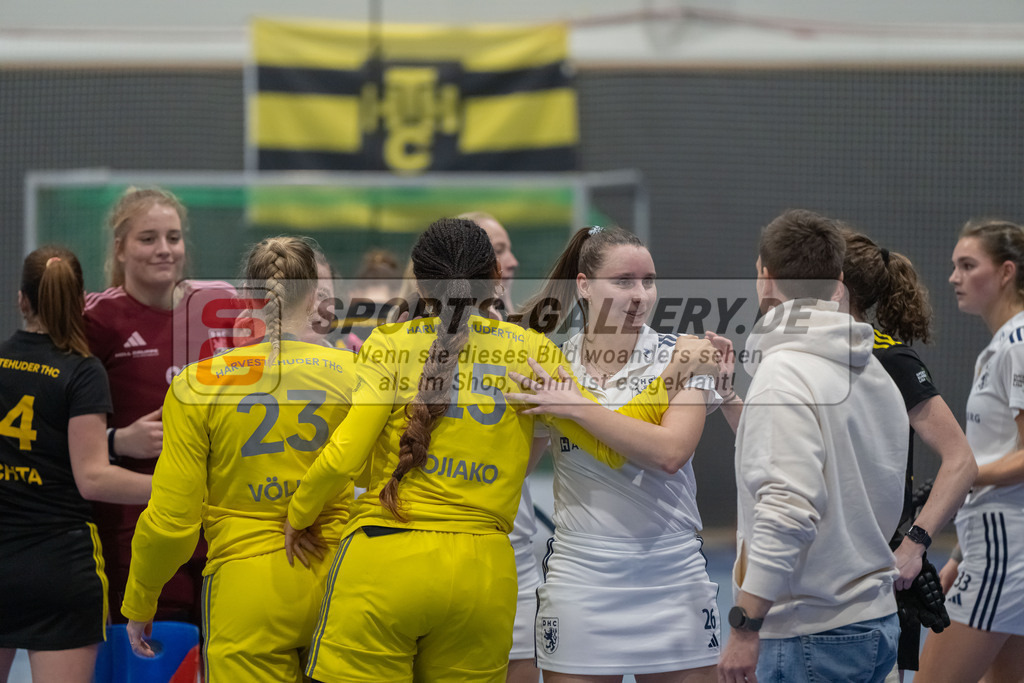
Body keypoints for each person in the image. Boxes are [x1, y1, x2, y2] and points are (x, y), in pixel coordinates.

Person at [285, 217, 714, 683]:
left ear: (422, 282)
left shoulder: (387, 344)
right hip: (484, 575)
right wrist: (673, 375)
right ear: (495, 278)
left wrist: (301, 513)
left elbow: (346, 453)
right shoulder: (535, 351)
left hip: (384, 560)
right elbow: (611, 450)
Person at [121, 237, 360, 683]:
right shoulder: (357, 375)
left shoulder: (197, 384)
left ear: (247, 300)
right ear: (315, 297)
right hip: (341, 581)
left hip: (245, 588)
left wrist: (141, 598)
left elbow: (172, 521)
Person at [515, 225, 721, 683]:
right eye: (623, 281)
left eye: (648, 281)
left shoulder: (684, 354)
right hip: (580, 579)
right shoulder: (551, 365)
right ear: (584, 286)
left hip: (672, 575)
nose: (640, 295)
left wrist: (577, 408)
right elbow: (514, 475)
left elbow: (670, 452)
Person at [718, 209, 907, 683]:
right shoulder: (870, 369)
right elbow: (827, 470)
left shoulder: (784, 374)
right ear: (839, 281)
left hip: (810, 635)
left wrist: (746, 623)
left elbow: (788, 506)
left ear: (766, 278)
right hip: (872, 620)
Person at [84, 186, 236, 626]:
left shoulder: (220, 304)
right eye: (148, 238)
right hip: (135, 529)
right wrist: (117, 441)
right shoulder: (95, 318)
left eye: (173, 237)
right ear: (121, 249)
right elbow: (56, 421)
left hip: (220, 528)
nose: (164, 250)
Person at [0, 247, 151, 683]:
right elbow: (93, 478)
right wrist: (178, 488)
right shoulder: (81, 372)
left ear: (21, 300)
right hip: (58, 567)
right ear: (82, 299)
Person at [840, 228, 976, 677]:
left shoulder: (890, 359)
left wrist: (915, 544)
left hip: (880, 573)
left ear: (836, 284)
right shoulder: (803, 355)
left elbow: (961, 460)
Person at [917, 219, 1024, 683]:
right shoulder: (1001, 347)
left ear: (1006, 272)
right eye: (954, 266)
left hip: (1004, 551)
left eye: (967, 265)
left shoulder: (1017, 345)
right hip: (995, 544)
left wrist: (963, 475)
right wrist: (960, 556)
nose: (954, 277)